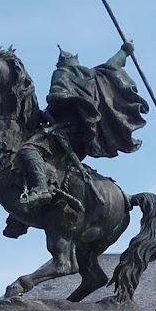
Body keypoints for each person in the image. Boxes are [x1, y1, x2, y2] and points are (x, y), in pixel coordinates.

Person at [16, 41, 148, 210]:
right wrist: (124, 51)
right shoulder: (94, 76)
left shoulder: (63, 73)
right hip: (86, 141)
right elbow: (112, 66)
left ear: (62, 63)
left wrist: (45, 114)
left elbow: (58, 100)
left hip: (65, 134)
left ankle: (41, 188)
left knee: (28, 150)